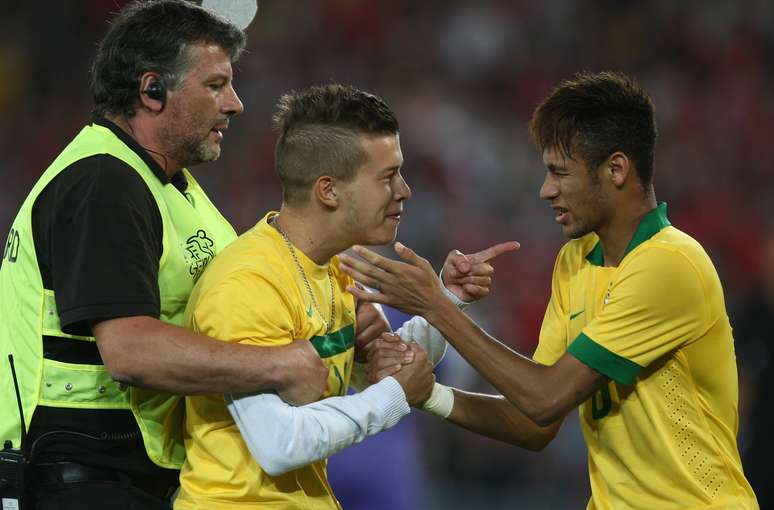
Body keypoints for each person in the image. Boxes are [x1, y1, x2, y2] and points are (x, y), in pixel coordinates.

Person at [341, 71, 759, 509]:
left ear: (616, 170)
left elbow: (545, 398)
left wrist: (436, 304)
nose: (546, 190)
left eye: (560, 173)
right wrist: (427, 392)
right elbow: (533, 422)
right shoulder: (576, 260)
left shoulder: (670, 264)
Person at [0, 2, 332, 508]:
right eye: (216, 85)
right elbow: (132, 351)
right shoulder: (103, 183)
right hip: (73, 478)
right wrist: (277, 365)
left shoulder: (173, 186)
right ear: (152, 90)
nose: (236, 104)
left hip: (124, 475)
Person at [174, 83, 516, 509]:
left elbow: (386, 371)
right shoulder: (246, 285)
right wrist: (395, 396)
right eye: (388, 177)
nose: (405, 190)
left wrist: (448, 300)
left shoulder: (333, 268)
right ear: (328, 191)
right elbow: (278, 443)